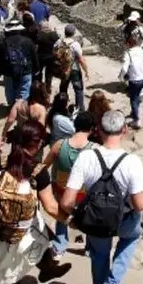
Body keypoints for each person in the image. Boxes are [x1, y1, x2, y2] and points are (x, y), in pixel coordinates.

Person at [60, 110, 143, 284]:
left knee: (99, 254)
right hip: (124, 220)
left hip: (96, 219)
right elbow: (140, 204)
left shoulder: (86, 157)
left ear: (98, 130)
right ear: (124, 130)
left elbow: (66, 202)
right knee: (132, 236)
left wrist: (76, 217)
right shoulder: (132, 162)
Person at [0, 120, 72, 284]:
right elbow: (50, 207)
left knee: (43, 235)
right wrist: (72, 219)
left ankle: (47, 268)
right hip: (19, 231)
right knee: (19, 257)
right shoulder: (38, 171)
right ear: (39, 143)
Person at [42, 110, 97, 260]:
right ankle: (90, 249)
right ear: (92, 129)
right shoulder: (95, 150)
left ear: (75, 125)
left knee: (61, 217)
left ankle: (60, 246)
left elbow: (43, 166)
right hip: (85, 194)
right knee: (90, 220)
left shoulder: (59, 145)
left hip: (61, 191)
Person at [0, 20, 37, 111]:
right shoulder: (28, 41)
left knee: (9, 89)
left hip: (8, 70)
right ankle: (21, 108)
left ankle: (11, 106)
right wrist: (36, 68)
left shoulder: (3, 42)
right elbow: (34, 56)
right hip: (26, 69)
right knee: (24, 89)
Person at [118, 34, 143, 130]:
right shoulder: (141, 50)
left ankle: (137, 121)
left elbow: (124, 68)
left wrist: (121, 77)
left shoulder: (128, 53)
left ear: (128, 44)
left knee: (133, 100)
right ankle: (134, 112)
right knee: (139, 95)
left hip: (135, 80)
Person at [57, 24, 90, 109]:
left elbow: (54, 53)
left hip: (63, 68)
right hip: (74, 69)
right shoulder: (75, 44)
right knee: (78, 90)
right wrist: (86, 70)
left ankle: (61, 106)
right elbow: (81, 59)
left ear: (65, 32)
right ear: (73, 33)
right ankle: (79, 109)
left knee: (63, 88)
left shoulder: (58, 42)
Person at [35, 21, 60, 89]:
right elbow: (58, 46)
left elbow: (36, 47)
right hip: (51, 57)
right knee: (49, 73)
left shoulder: (39, 35)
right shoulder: (54, 35)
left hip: (40, 57)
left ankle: (38, 87)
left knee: (39, 72)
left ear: (42, 27)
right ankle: (48, 87)